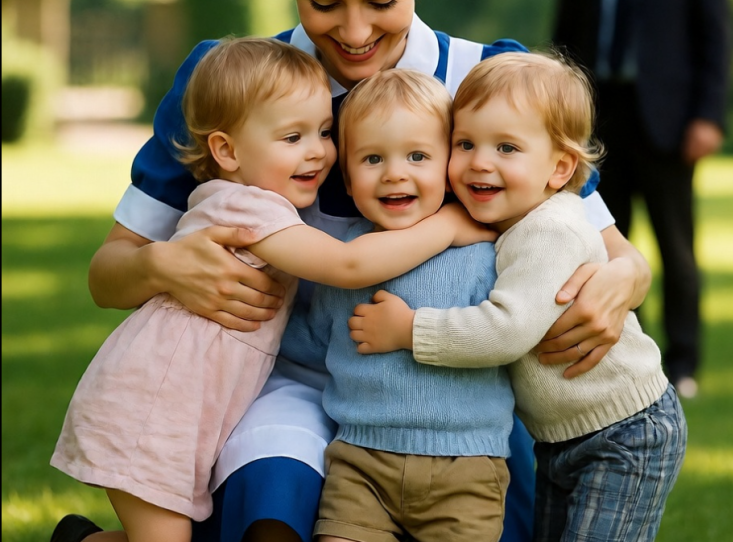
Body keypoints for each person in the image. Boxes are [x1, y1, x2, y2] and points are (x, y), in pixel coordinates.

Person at [69, 0, 651, 542]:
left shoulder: (490, 82)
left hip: (460, 395)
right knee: (270, 512)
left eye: (383, 1)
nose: (352, 32)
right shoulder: (235, 85)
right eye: (322, 2)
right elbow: (109, 273)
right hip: (285, 382)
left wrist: (625, 281)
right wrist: (163, 266)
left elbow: (619, 256)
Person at [50, 39, 493, 542]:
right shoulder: (246, 209)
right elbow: (347, 264)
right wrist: (448, 226)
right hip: (154, 411)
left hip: (189, 410)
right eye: (292, 137)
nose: (317, 152)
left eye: (324, 132)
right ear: (227, 151)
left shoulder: (262, 204)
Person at [350, 52, 688, 542]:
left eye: (506, 148)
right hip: (562, 435)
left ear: (559, 168)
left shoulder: (550, 230)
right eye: (465, 143)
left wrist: (410, 330)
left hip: (624, 431)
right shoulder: (511, 223)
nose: (480, 162)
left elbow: (505, 331)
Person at [281, 68, 515, 542]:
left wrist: (410, 331)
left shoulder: (478, 255)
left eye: (417, 156)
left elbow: (501, 338)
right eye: (372, 158)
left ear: (448, 166)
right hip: (361, 463)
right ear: (346, 180)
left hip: (465, 465)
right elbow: (308, 339)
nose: (395, 173)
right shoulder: (340, 256)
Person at [552, 0, 732, 399]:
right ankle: (632, 352)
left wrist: (708, 116)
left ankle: (683, 365)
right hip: (600, 121)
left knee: (676, 246)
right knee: (605, 241)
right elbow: (565, 45)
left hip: (670, 121)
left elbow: (716, 38)